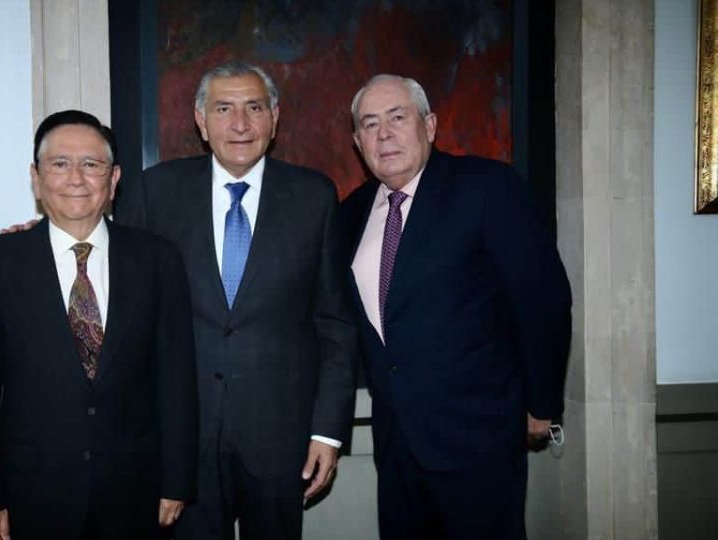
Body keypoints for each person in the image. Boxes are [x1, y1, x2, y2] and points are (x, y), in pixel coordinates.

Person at [117, 61, 357, 540]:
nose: (240, 124)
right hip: (183, 440)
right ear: (201, 121)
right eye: (224, 109)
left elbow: (334, 322)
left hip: (281, 440)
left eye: (254, 108)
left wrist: (327, 431)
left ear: (275, 118)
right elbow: (117, 291)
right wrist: (46, 240)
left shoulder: (314, 196)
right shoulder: (155, 191)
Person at [340, 74, 572, 540]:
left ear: (429, 125)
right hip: (395, 443)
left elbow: (542, 298)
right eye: (370, 123)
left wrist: (542, 404)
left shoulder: (487, 187)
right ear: (357, 142)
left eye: (397, 117)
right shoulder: (351, 212)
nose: (384, 134)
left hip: (480, 438)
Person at [0, 110, 198, 540]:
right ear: (36, 177)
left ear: (114, 178)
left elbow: (176, 379)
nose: (76, 178)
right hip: (30, 494)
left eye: (91, 164)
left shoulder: (158, 260)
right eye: (60, 164)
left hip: (136, 492)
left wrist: (176, 481)